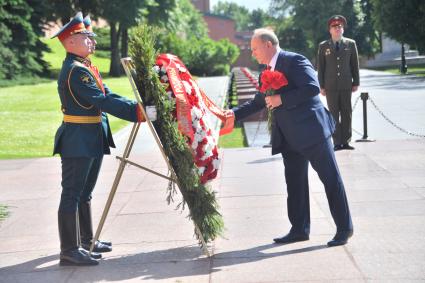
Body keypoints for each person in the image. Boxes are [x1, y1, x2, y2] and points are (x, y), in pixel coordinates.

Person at [223, 28, 353, 247]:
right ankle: (299, 229)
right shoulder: (266, 71)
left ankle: (344, 228)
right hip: (289, 136)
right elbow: (258, 101)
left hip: (312, 132)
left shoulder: (294, 60)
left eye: (254, 49)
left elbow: (312, 87)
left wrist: (282, 99)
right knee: (295, 184)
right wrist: (232, 114)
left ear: (268, 45)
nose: (252, 53)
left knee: (331, 180)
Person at [52, 12, 148, 266]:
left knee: (85, 193)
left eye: (92, 37)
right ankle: (69, 250)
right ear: (70, 41)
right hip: (77, 139)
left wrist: (134, 106)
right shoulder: (76, 71)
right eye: (86, 37)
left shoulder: (84, 67)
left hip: (89, 137)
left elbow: (107, 94)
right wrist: (136, 112)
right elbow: (102, 101)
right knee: (72, 193)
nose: (92, 42)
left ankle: (86, 242)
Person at [317, 15, 360, 151]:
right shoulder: (323, 46)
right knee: (333, 113)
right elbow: (321, 67)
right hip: (330, 86)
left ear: (343, 29)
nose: (337, 29)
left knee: (347, 112)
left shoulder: (350, 44)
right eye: (334, 27)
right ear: (330, 30)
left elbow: (355, 65)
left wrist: (356, 82)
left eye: (340, 27)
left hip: (346, 84)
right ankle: (336, 142)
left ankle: (346, 141)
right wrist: (321, 85)